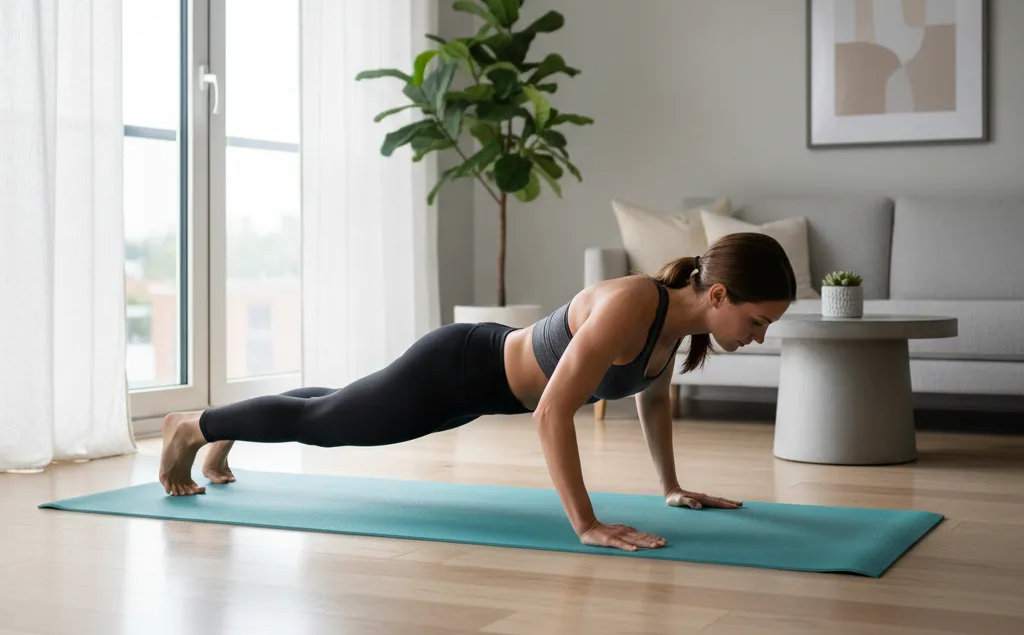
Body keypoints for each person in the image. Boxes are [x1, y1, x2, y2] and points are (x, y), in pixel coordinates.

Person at [159, 231, 795, 551]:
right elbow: (553, 413)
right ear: (718, 296)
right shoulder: (633, 302)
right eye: (758, 321)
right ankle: (192, 426)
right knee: (331, 423)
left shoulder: (675, 327)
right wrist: (586, 524)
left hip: (480, 385)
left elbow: (650, 398)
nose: (760, 337)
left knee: (339, 405)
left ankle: (226, 426)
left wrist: (670, 488)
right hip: (459, 369)